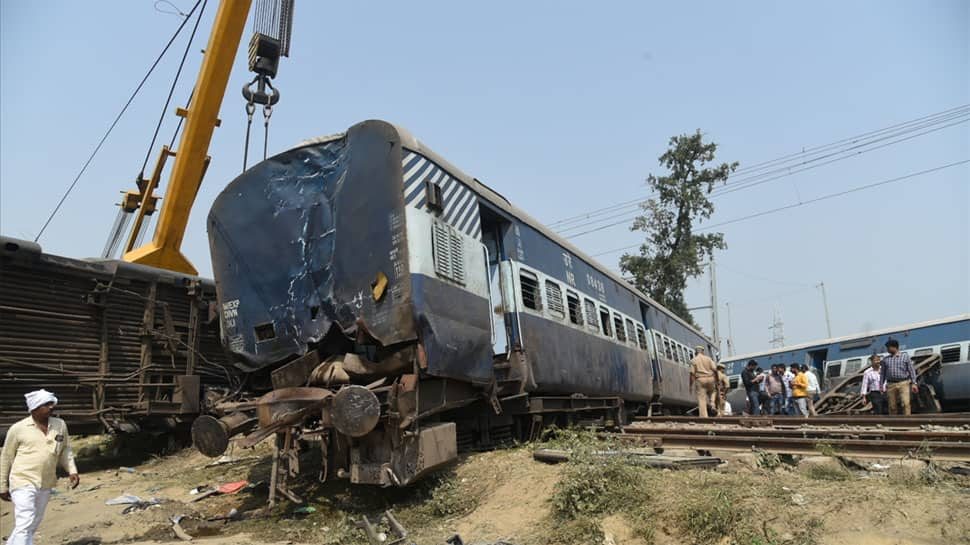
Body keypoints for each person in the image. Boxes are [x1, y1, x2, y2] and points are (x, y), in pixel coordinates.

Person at [1, 390, 79, 545]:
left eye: (52, 403)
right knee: (26, 519)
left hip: (46, 481)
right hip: (22, 480)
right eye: (46, 404)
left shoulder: (59, 425)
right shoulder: (18, 428)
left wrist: (72, 470)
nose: (51, 407)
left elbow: (65, 449)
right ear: (34, 408)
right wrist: (2, 485)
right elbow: (6, 457)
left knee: (34, 521)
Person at [880, 339, 918, 415]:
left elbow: (911, 370)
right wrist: (881, 385)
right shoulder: (885, 360)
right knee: (892, 406)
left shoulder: (905, 357)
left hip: (903, 383)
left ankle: (907, 420)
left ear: (894, 347)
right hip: (891, 384)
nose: (887, 350)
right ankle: (893, 421)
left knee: (905, 403)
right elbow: (882, 374)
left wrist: (914, 383)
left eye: (888, 347)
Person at [689, 346, 717, 417]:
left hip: (700, 380)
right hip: (710, 378)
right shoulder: (708, 359)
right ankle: (712, 404)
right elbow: (715, 370)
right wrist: (717, 379)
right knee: (713, 391)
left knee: (702, 399)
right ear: (703, 352)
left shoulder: (693, 360)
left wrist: (690, 385)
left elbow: (692, 374)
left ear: (696, 352)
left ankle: (704, 417)